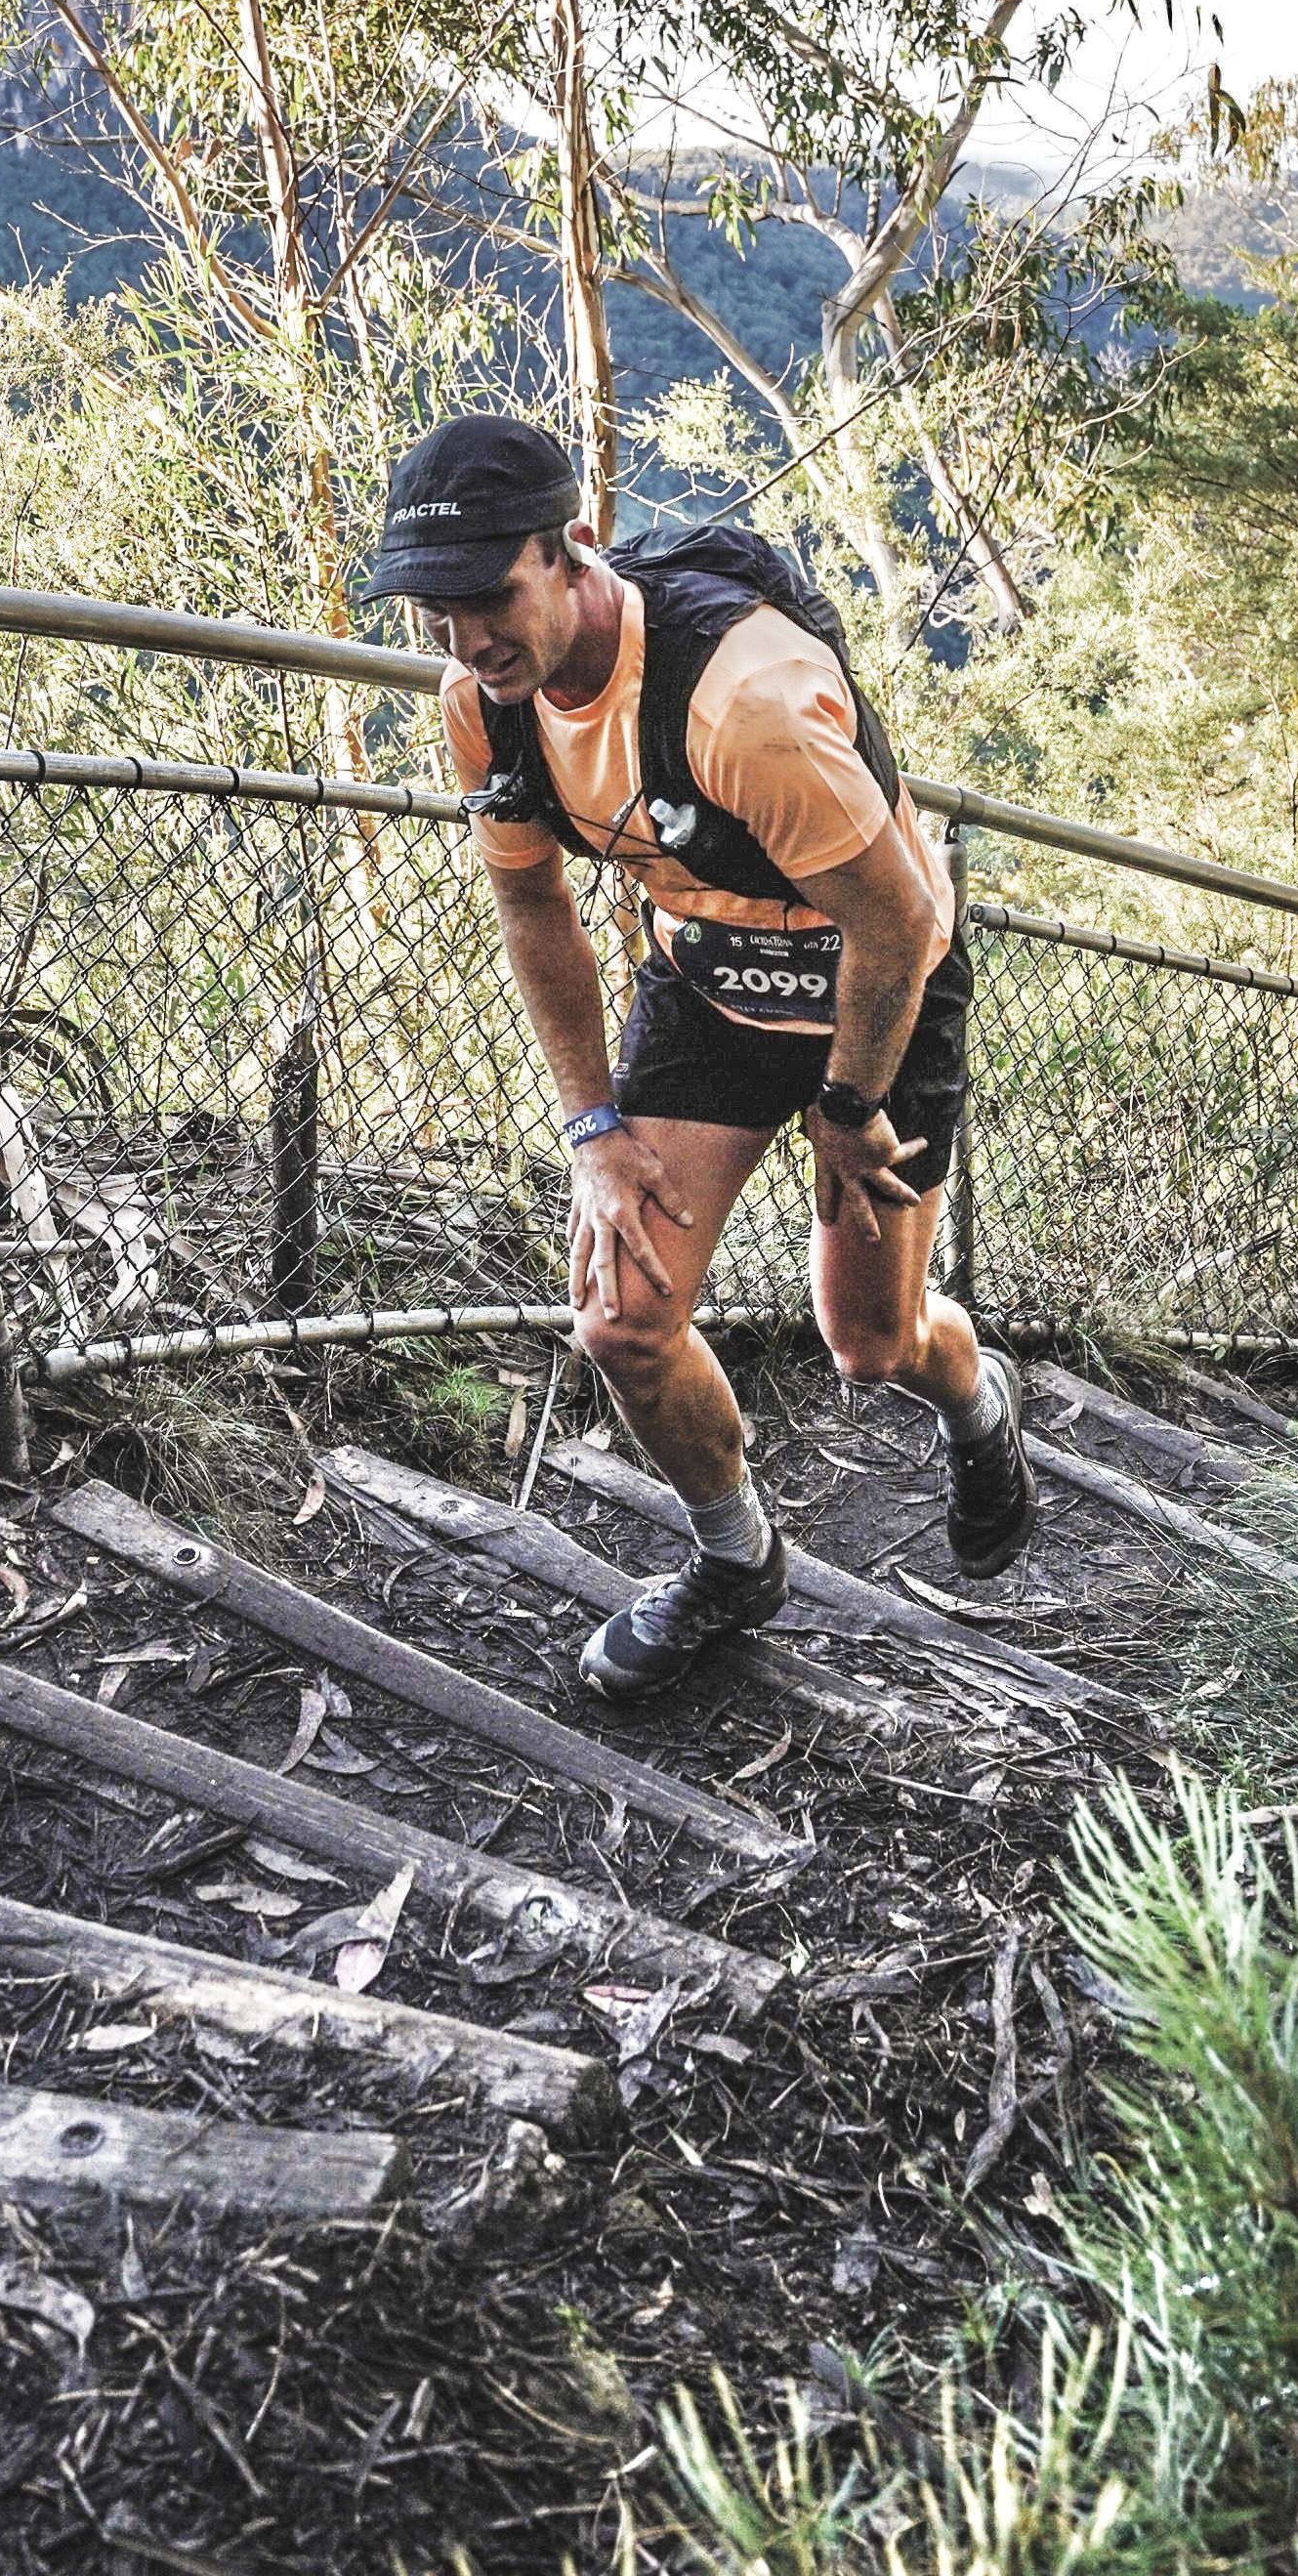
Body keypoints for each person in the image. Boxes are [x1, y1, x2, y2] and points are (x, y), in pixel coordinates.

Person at [362, 412, 1034, 1701]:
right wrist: (590, 1133)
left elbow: (895, 927)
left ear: (564, 551)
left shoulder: (745, 701)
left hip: (873, 996)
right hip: (710, 984)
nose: (464, 640)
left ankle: (975, 1399)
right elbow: (533, 908)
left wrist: (848, 1106)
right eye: (432, 613)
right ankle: (735, 1561)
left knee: (870, 1343)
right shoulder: (482, 706)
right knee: (620, 1318)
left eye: (487, 598)